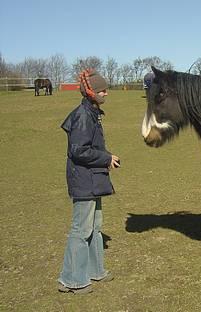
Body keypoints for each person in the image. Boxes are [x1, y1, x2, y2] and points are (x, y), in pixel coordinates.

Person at [58, 69, 120, 294]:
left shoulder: (92, 113)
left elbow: (88, 148)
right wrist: (106, 158)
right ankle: (71, 280)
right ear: (91, 92)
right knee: (81, 230)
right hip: (84, 181)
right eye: (103, 90)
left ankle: (95, 271)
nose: (106, 94)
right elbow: (78, 150)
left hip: (93, 179)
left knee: (95, 228)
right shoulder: (84, 116)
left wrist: (106, 159)